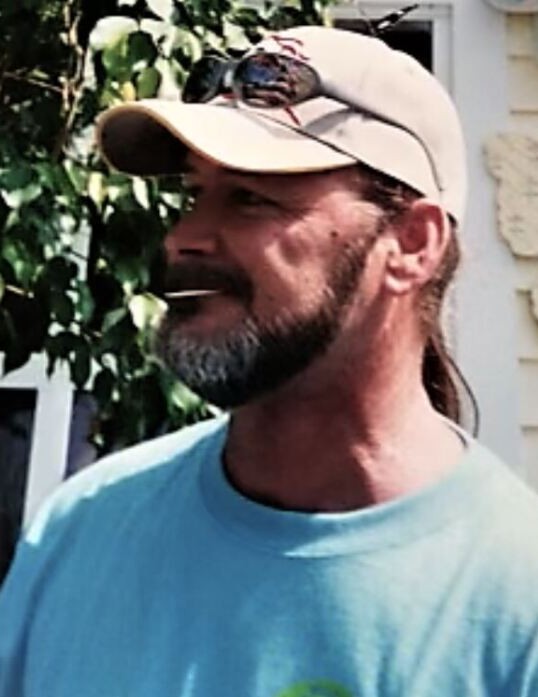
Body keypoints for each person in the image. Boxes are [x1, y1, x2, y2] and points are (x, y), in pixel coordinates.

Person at [1, 25, 538, 697]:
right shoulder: (79, 533)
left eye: (250, 198)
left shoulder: (515, 598)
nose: (184, 238)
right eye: (193, 194)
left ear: (411, 243)